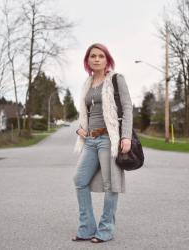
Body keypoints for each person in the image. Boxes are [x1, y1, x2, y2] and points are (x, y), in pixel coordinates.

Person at [72, 43, 133, 243]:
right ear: (87, 60)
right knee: (80, 180)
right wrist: (81, 129)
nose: (96, 59)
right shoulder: (87, 83)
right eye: (93, 56)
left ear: (107, 59)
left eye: (101, 56)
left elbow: (127, 108)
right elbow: (85, 112)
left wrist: (125, 136)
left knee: (110, 185)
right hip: (90, 139)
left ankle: (105, 229)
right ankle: (87, 228)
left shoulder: (116, 79)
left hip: (109, 138)